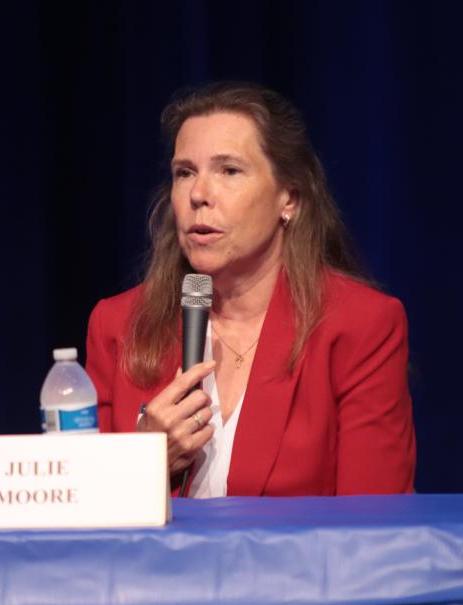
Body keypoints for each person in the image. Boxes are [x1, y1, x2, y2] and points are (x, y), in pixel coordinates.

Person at [85, 81, 415, 497]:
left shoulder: (359, 327)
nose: (199, 195)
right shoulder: (118, 325)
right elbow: (80, 518)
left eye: (229, 170)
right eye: (184, 173)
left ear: (289, 198)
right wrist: (143, 460)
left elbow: (375, 527)